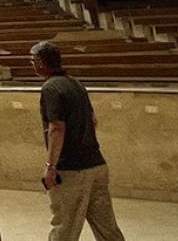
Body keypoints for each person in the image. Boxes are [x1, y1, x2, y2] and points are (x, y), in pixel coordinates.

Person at [31, 41, 126, 241]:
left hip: (72, 170)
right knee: (107, 229)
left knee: (65, 227)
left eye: (33, 60)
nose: (32, 64)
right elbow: (93, 121)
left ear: (41, 62)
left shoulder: (50, 88)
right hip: (96, 165)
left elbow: (56, 128)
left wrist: (50, 166)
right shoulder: (76, 83)